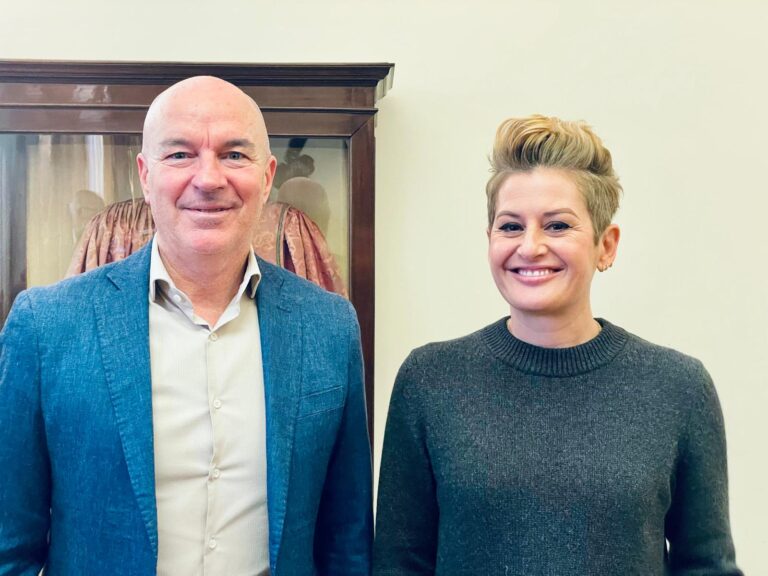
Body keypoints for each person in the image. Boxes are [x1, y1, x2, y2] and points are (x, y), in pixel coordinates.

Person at [0, 76, 372, 575]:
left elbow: (346, 543)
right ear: (145, 175)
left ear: (267, 177)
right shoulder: (46, 327)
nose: (209, 178)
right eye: (180, 155)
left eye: (234, 155)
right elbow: (9, 546)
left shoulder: (329, 326)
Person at [373, 115, 742, 575]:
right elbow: (399, 563)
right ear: (489, 240)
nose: (530, 246)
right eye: (511, 227)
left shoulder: (678, 387)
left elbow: (706, 565)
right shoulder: (430, 380)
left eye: (558, 226)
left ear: (606, 245)